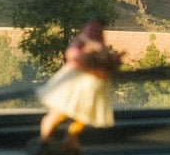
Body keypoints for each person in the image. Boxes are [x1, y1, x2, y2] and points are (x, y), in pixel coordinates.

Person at [36, 17, 121, 153]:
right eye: (94, 27)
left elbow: (105, 61)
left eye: (99, 28)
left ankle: (70, 142)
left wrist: (110, 61)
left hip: (91, 87)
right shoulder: (83, 42)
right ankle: (44, 141)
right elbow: (73, 54)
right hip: (74, 85)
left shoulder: (99, 44)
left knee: (82, 118)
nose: (97, 30)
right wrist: (91, 58)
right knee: (58, 113)